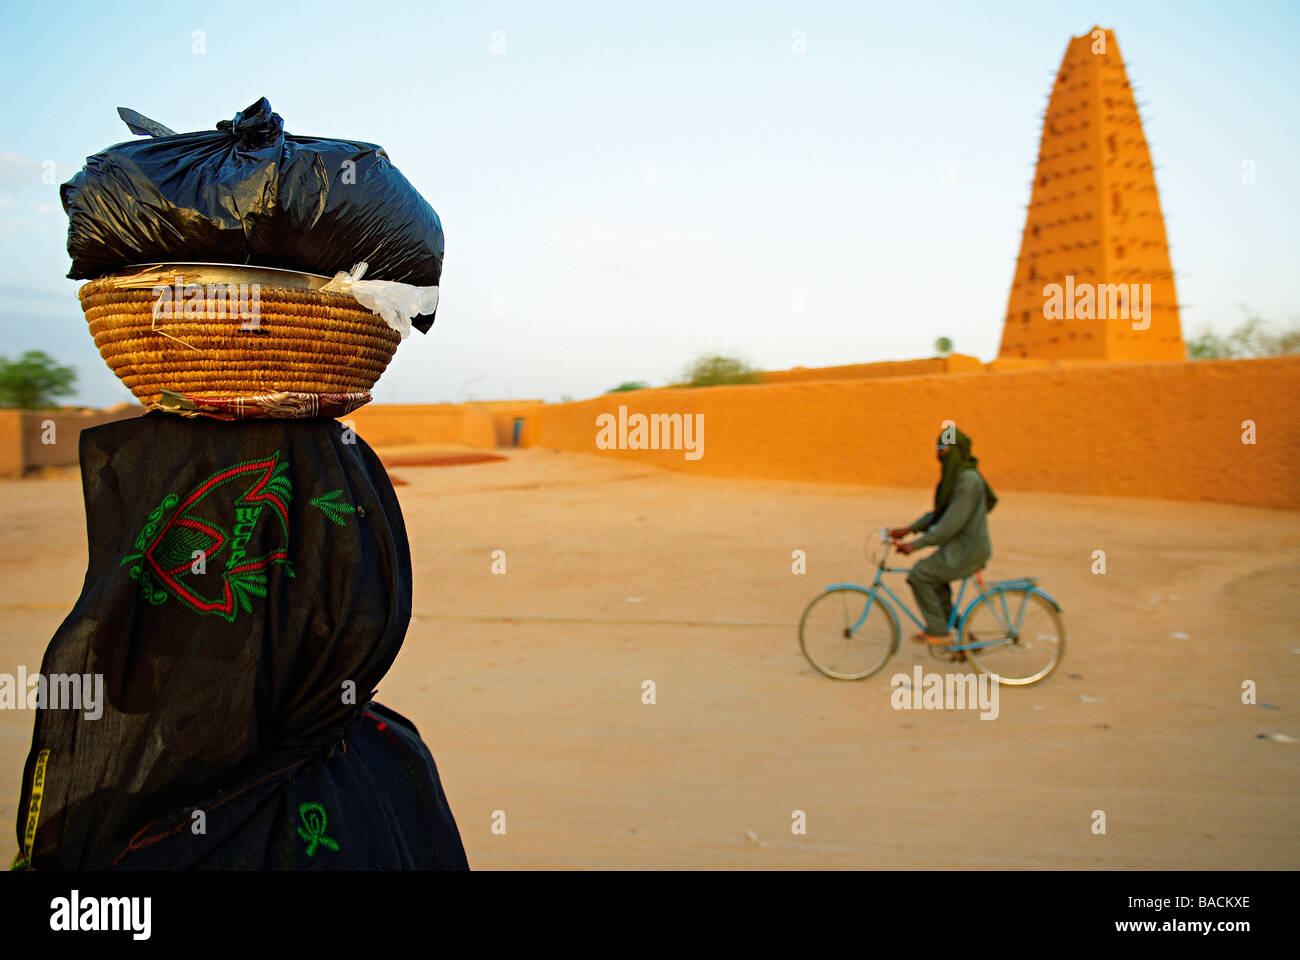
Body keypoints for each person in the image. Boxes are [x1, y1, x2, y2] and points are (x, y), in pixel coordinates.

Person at [889, 427, 997, 647]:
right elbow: (939, 514)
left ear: (955, 450)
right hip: (959, 547)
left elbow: (949, 525)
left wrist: (915, 545)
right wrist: (909, 529)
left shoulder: (967, 480)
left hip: (967, 550)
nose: (938, 453)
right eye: (937, 448)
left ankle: (938, 631)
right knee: (936, 584)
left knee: (920, 575)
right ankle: (966, 638)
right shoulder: (956, 476)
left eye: (943, 448)